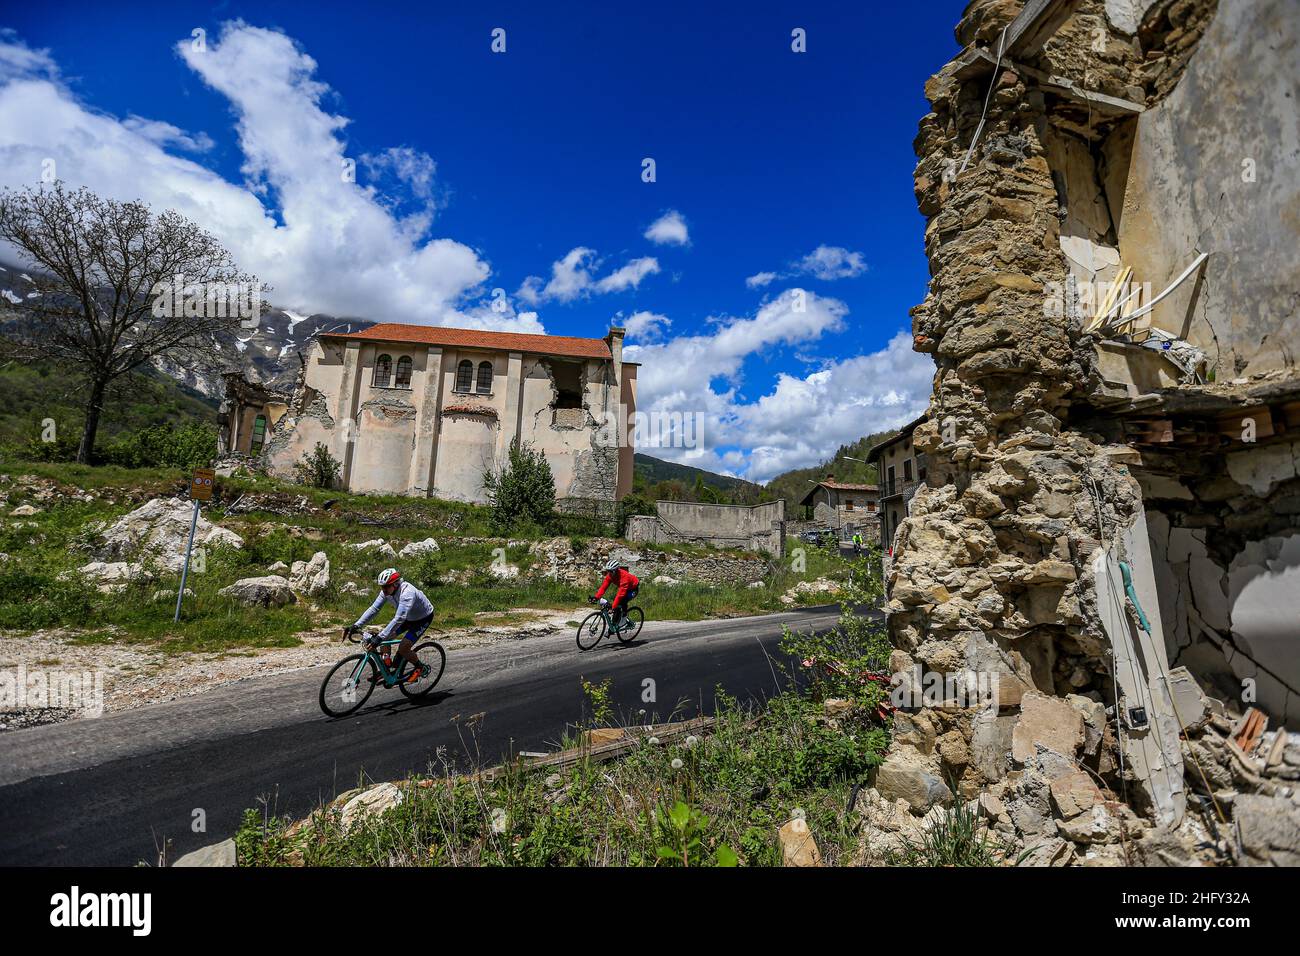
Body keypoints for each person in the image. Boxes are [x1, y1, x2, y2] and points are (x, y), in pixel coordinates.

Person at [345, 568, 433, 683]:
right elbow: (374, 609)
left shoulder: (407, 593)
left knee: (403, 647)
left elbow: (399, 618)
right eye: (382, 587)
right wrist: (356, 625)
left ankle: (420, 667)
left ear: (396, 584)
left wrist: (380, 637)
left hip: (422, 619)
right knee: (384, 638)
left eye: (386, 586)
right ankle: (386, 669)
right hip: (407, 618)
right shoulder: (387, 591)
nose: (384, 590)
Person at [590, 557, 639, 630]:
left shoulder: (624, 577)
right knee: (616, 605)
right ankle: (614, 624)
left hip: (632, 589)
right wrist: (596, 597)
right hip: (624, 588)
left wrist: (613, 608)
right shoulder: (610, 575)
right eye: (608, 571)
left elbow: (620, 595)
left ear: (616, 570)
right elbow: (603, 587)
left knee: (622, 601)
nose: (609, 573)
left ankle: (624, 619)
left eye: (611, 571)